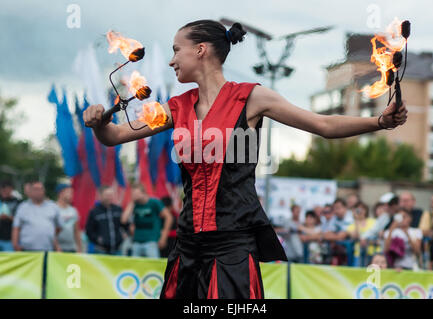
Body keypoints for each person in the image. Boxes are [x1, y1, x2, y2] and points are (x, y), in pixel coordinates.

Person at [83, 20, 408, 299]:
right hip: (187, 246)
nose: (171, 61)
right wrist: (100, 123)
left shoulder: (252, 97)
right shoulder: (175, 107)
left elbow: (322, 125)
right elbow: (113, 137)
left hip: (232, 245)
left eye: (176, 50)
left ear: (201, 50)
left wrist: (379, 121)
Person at [121, 183, 173, 258]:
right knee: (135, 267)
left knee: (153, 266)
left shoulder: (154, 202)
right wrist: (132, 202)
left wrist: (163, 237)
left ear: (143, 193)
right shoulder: (134, 204)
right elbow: (123, 220)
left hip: (151, 241)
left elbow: (169, 217)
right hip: (136, 241)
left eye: (136, 193)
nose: (134, 196)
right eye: (133, 194)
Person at [11, 180, 62, 252]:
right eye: (36, 189)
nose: (39, 191)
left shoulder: (53, 206)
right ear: (31, 191)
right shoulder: (22, 207)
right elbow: (16, 227)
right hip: (27, 249)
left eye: (41, 189)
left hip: (48, 249)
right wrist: (15, 244)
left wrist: (50, 235)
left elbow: (59, 227)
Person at [85, 185, 127, 255]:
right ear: (100, 196)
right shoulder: (94, 212)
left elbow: (125, 225)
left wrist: (124, 235)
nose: (109, 197)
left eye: (111, 195)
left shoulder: (118, 210)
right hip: (101, 250)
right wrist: (97, 240)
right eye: (107, 195)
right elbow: (89, 230)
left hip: (117, 250)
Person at [346, 202, 377, 266]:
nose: (360, 211)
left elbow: (377, 235)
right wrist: (356, 220)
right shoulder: (351, 226)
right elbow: (355, 236)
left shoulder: (373, 221)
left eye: (363, 208)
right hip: (358, 254)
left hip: (373, 253)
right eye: (358, 209)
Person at [55, 184, 83, 253]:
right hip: (56, 249)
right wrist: (56, 247)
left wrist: (79, 248)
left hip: (71, 248)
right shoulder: (53, 209)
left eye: (72, 193)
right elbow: (50, 232)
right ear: (60, 193)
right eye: (69, 192)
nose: (71, 195)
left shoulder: (73, 210)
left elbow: (76, 231)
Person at [0, 180, 21, 252]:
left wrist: (8, 217)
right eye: (2, 190)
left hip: (10, 239)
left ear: (11, 189)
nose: (4, 192)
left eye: (6, 189)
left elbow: (20, 221)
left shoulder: (17, 202)